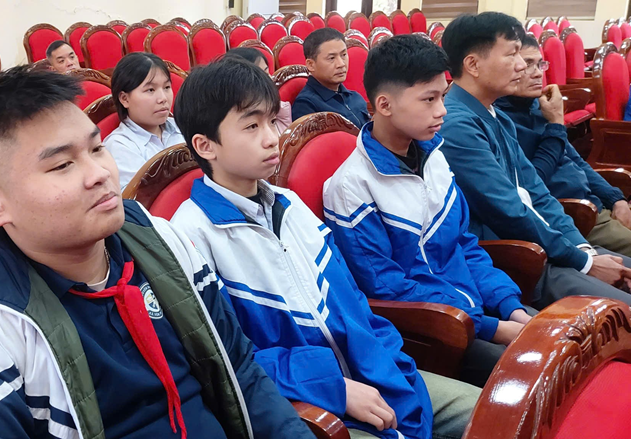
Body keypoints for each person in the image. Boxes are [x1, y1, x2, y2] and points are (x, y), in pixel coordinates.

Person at [0, 66, 317, 439]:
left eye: (96, 149)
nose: (100, 174)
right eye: (61, 166)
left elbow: (238, 368)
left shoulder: (161, 240)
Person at [171, 58, 481, 439]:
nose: (271, 138)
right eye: (252, 126)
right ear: (205, 145)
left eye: (271, 121)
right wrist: (335, 388)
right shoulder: (191, 236)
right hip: (311, 403)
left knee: (496, 411)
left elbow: (353, 301)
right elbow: (227, 360)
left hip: (372, 370)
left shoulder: (290, 203)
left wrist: (391, 362)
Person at [323, 35, 532, 388]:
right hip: (434, 330)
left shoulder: (433, 154)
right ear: (385, 105)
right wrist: (493, 328)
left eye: (443, 97)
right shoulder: (352, 187)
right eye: (429, 99)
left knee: (564, 342)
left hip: (478, 309)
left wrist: (510, 305)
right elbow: (388, 288)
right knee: (537, 375)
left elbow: (464, 245)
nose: (442, 110)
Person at [439, 12, 631, 309]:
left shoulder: (497, 116)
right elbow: (509, 211)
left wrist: (584, 251)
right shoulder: (457, 124)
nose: (521, 65)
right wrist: (584, 262)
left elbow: (538, 194)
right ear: (473, 65)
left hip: (548, 246)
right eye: (512, 54)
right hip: (514, 260)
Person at [495, 35, 631, 258]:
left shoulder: (537, 105)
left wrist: (615, 198)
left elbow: (575, 160)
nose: (538, 73)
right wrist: (556, 125)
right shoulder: (500, 121)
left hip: (595, 203)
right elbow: (533, 182)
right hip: (573, 215)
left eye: (540, 64)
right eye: (528, 64)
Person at [103, 52, 186, 189]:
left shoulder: (181, 126)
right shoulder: (120, 146)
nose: (163, 98)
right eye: (150, 90)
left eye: (166, 87)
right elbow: (145, 197)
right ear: (125, 99)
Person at [291, 27, 370, 128]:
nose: (341, 64)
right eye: (331, 58)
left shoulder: (355, 97)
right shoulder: (307, 105)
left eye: (343, 55)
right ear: (311, 64)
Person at [222, 47, 293, 131]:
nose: (268, 80)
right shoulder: (234, 122)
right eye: (258, 77)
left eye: (267, 73)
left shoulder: (280, 111)